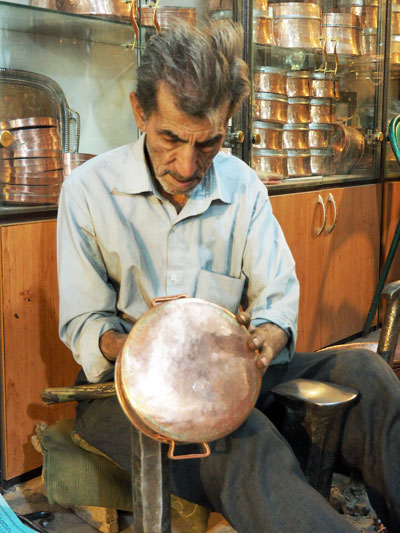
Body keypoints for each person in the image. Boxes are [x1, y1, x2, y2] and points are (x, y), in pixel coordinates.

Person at [57, 19, 400, 533]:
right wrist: (139, 348)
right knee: (242, 440)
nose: (188, 165)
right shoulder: (87, 190)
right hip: (124, 394)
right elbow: (83, 322)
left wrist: (267, 333)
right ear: (139, 111)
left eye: (208, 143)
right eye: (170, 138)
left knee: (369, 377)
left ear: (229, 119)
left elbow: (277, 294)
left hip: (231, 376)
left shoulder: (243, 186)